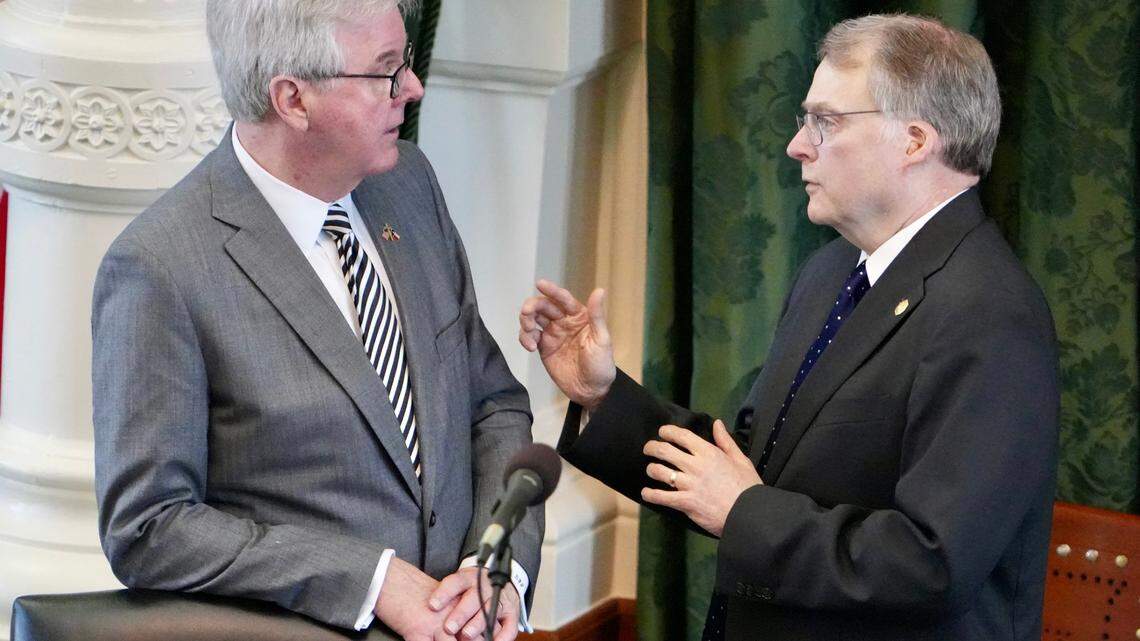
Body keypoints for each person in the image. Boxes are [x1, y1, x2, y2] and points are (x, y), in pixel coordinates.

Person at [519, 13, 1058, 641]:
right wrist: (603, 396)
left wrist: (743, 512)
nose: (797, 145)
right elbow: (747, 471)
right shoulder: (831, 272)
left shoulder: (990, 313)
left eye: (825, 122)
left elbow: (931, 565)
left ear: (914, 142)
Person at [92, 2, 541, 640]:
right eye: (386, 71)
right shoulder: (159, 267)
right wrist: (372, 581)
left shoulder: (409, 184)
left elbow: (492, 403)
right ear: (293, 100)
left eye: (407, 61)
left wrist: (496, 566)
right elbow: (149, 528)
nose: (412, 88)